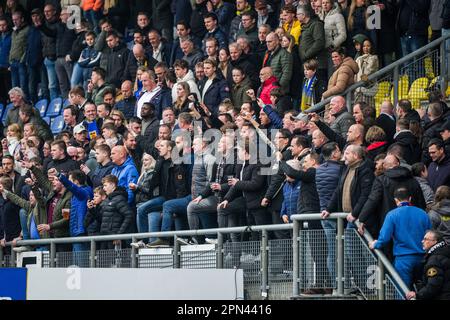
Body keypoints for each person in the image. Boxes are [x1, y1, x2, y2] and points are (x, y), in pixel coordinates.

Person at [369, 187, 431, 289]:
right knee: (422, 291)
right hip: (423, 259)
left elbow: (384, 238)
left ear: (396, 200)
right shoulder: (423, 213)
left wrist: (375, 244)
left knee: (402, 292)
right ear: (410, 198)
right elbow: (430, 234)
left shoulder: (392, 215)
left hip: (403, 260)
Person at [406, 230, 450, 300]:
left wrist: (417, 295)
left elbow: (434, 285)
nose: (422, 241)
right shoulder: (444, 252)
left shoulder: (434, 259)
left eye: (426, 239)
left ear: (435, 241)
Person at [98, 174, 134, 250]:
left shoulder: (119, 198)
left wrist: (119, 235)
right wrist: (92, 210)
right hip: (104, 237)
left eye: (105, 185)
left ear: (113, 185)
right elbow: (101, 218)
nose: (103, 188)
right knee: (103, 261)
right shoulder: (107, 199)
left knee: (114, 261)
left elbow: (129, 215)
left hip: (114, 239)